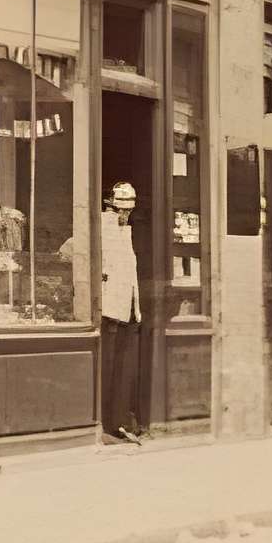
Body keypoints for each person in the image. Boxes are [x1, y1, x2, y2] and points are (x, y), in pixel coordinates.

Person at [100, 180, 145, 444]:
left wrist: (136, 308)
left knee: (122, 369)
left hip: (125, 311)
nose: (124, 215)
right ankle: (107, 421)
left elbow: (130, 274)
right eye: (120, 210)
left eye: (128, 211)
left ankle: (117, 420)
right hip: (109, 311)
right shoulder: (103, 229)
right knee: (108, 369)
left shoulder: (123, 232)